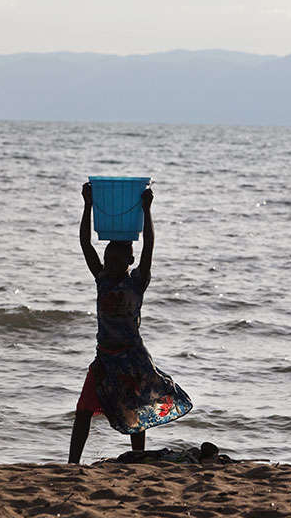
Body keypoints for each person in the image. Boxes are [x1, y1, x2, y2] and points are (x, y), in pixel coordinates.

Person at [68, 182, 193, 464]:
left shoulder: (137, 282)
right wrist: (87, 205)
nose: (110, 264)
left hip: (132, 358)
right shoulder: (102, 279)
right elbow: (85, 244)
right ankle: (72, 463)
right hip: (104, 359)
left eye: (116, 260)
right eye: (107, 259)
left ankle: (138, 458)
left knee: (137, 411)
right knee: (83, 410)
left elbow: (149, 245)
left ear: (130, 260)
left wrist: (147, 210)